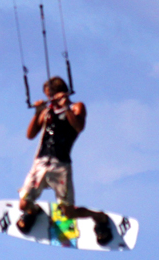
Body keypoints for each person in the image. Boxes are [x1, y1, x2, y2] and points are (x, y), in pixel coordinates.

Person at [17, 76, 113, 245]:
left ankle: (100, 218)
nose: (49, 99)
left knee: (68, 212)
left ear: (61, 93)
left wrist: (66, 107)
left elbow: (78, 127)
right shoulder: (47, 112)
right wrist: (38, 112)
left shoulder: (77, 107)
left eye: (51, 95)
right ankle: (33, 211)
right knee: (23, 204)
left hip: (61, 165)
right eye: (47, 96)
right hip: (40, 163)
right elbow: (30, 135)